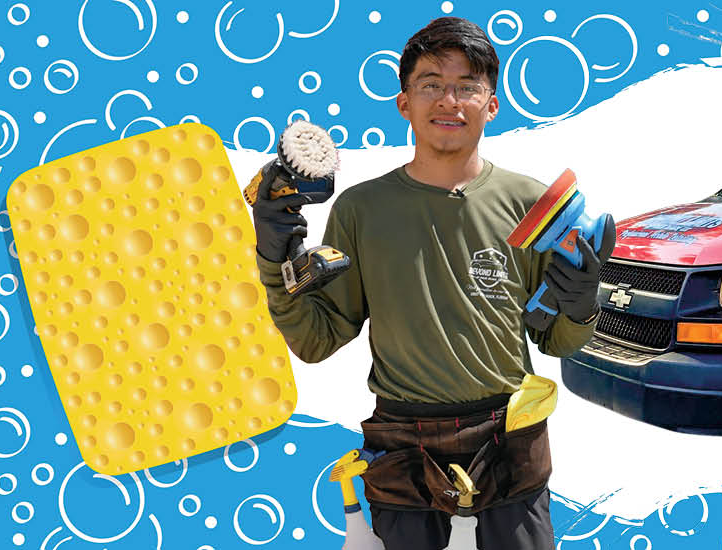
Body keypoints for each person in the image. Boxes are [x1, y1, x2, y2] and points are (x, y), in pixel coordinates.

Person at [250, 16, 604, 550]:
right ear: (404, 103)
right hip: (403, 447)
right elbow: (316, 340)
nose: (449, 100)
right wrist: (274, 255)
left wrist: (581, 305)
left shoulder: (532, 205)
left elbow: (556, 340)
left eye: (467, 87)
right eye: (431, 85)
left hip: (509, 439)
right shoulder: (361, 210)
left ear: (492, 105)